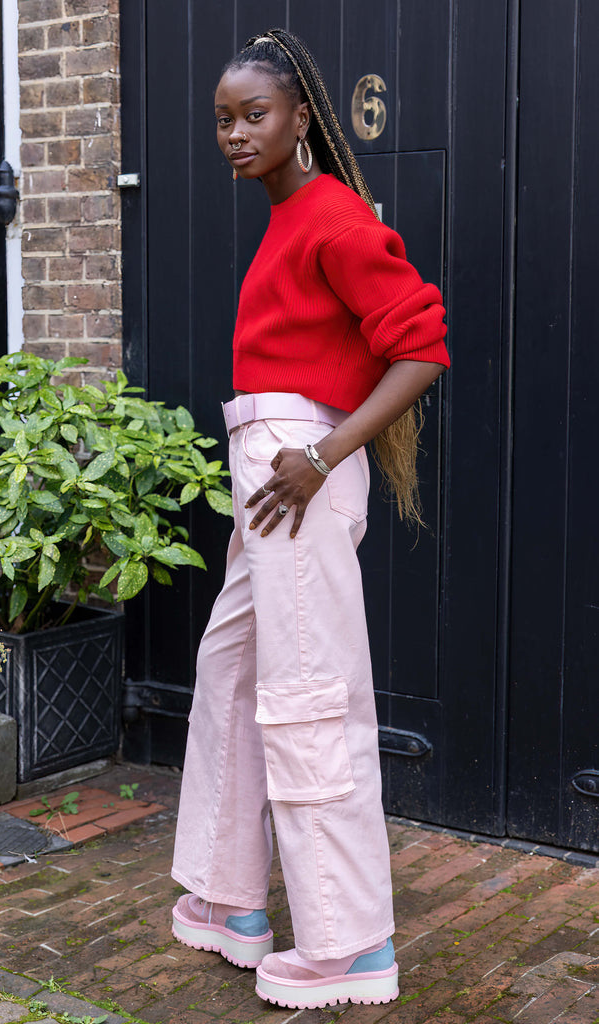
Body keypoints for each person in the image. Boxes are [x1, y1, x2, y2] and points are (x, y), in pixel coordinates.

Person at [170, 28, 449, 1010]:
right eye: (222, 120)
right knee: (229, 672)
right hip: (272, 479)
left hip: (298, 475)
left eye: (254, 115)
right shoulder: (290, 215)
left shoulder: (331, 215)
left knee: (306, 696)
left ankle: (347, 943)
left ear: (299, 119)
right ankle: (231, 898)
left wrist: (323, 456)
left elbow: (421, 348)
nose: (235, 134)